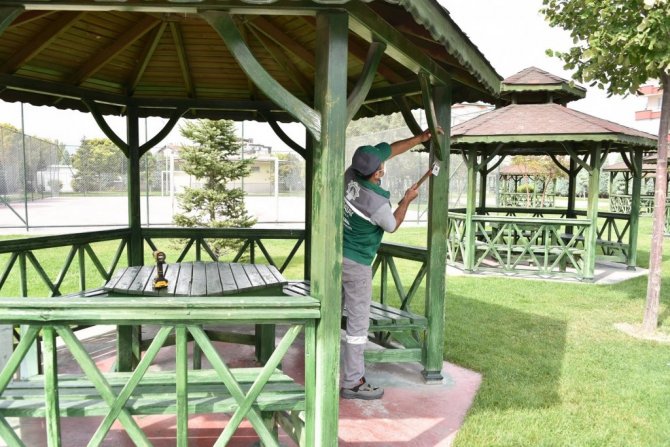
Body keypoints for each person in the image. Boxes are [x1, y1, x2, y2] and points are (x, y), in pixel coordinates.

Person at [340, 127, 442, 400]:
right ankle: (352, 382)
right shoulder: (376, 203)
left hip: (335, 258)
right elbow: (392, 224)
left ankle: (323, 366)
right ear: (377, 174)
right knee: (357, 328)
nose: (384, 163)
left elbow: (390, 149)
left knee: (330, 314)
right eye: (381, 166)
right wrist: (406, 201)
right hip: (357, 265)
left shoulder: (350, 174)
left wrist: (420, 138)